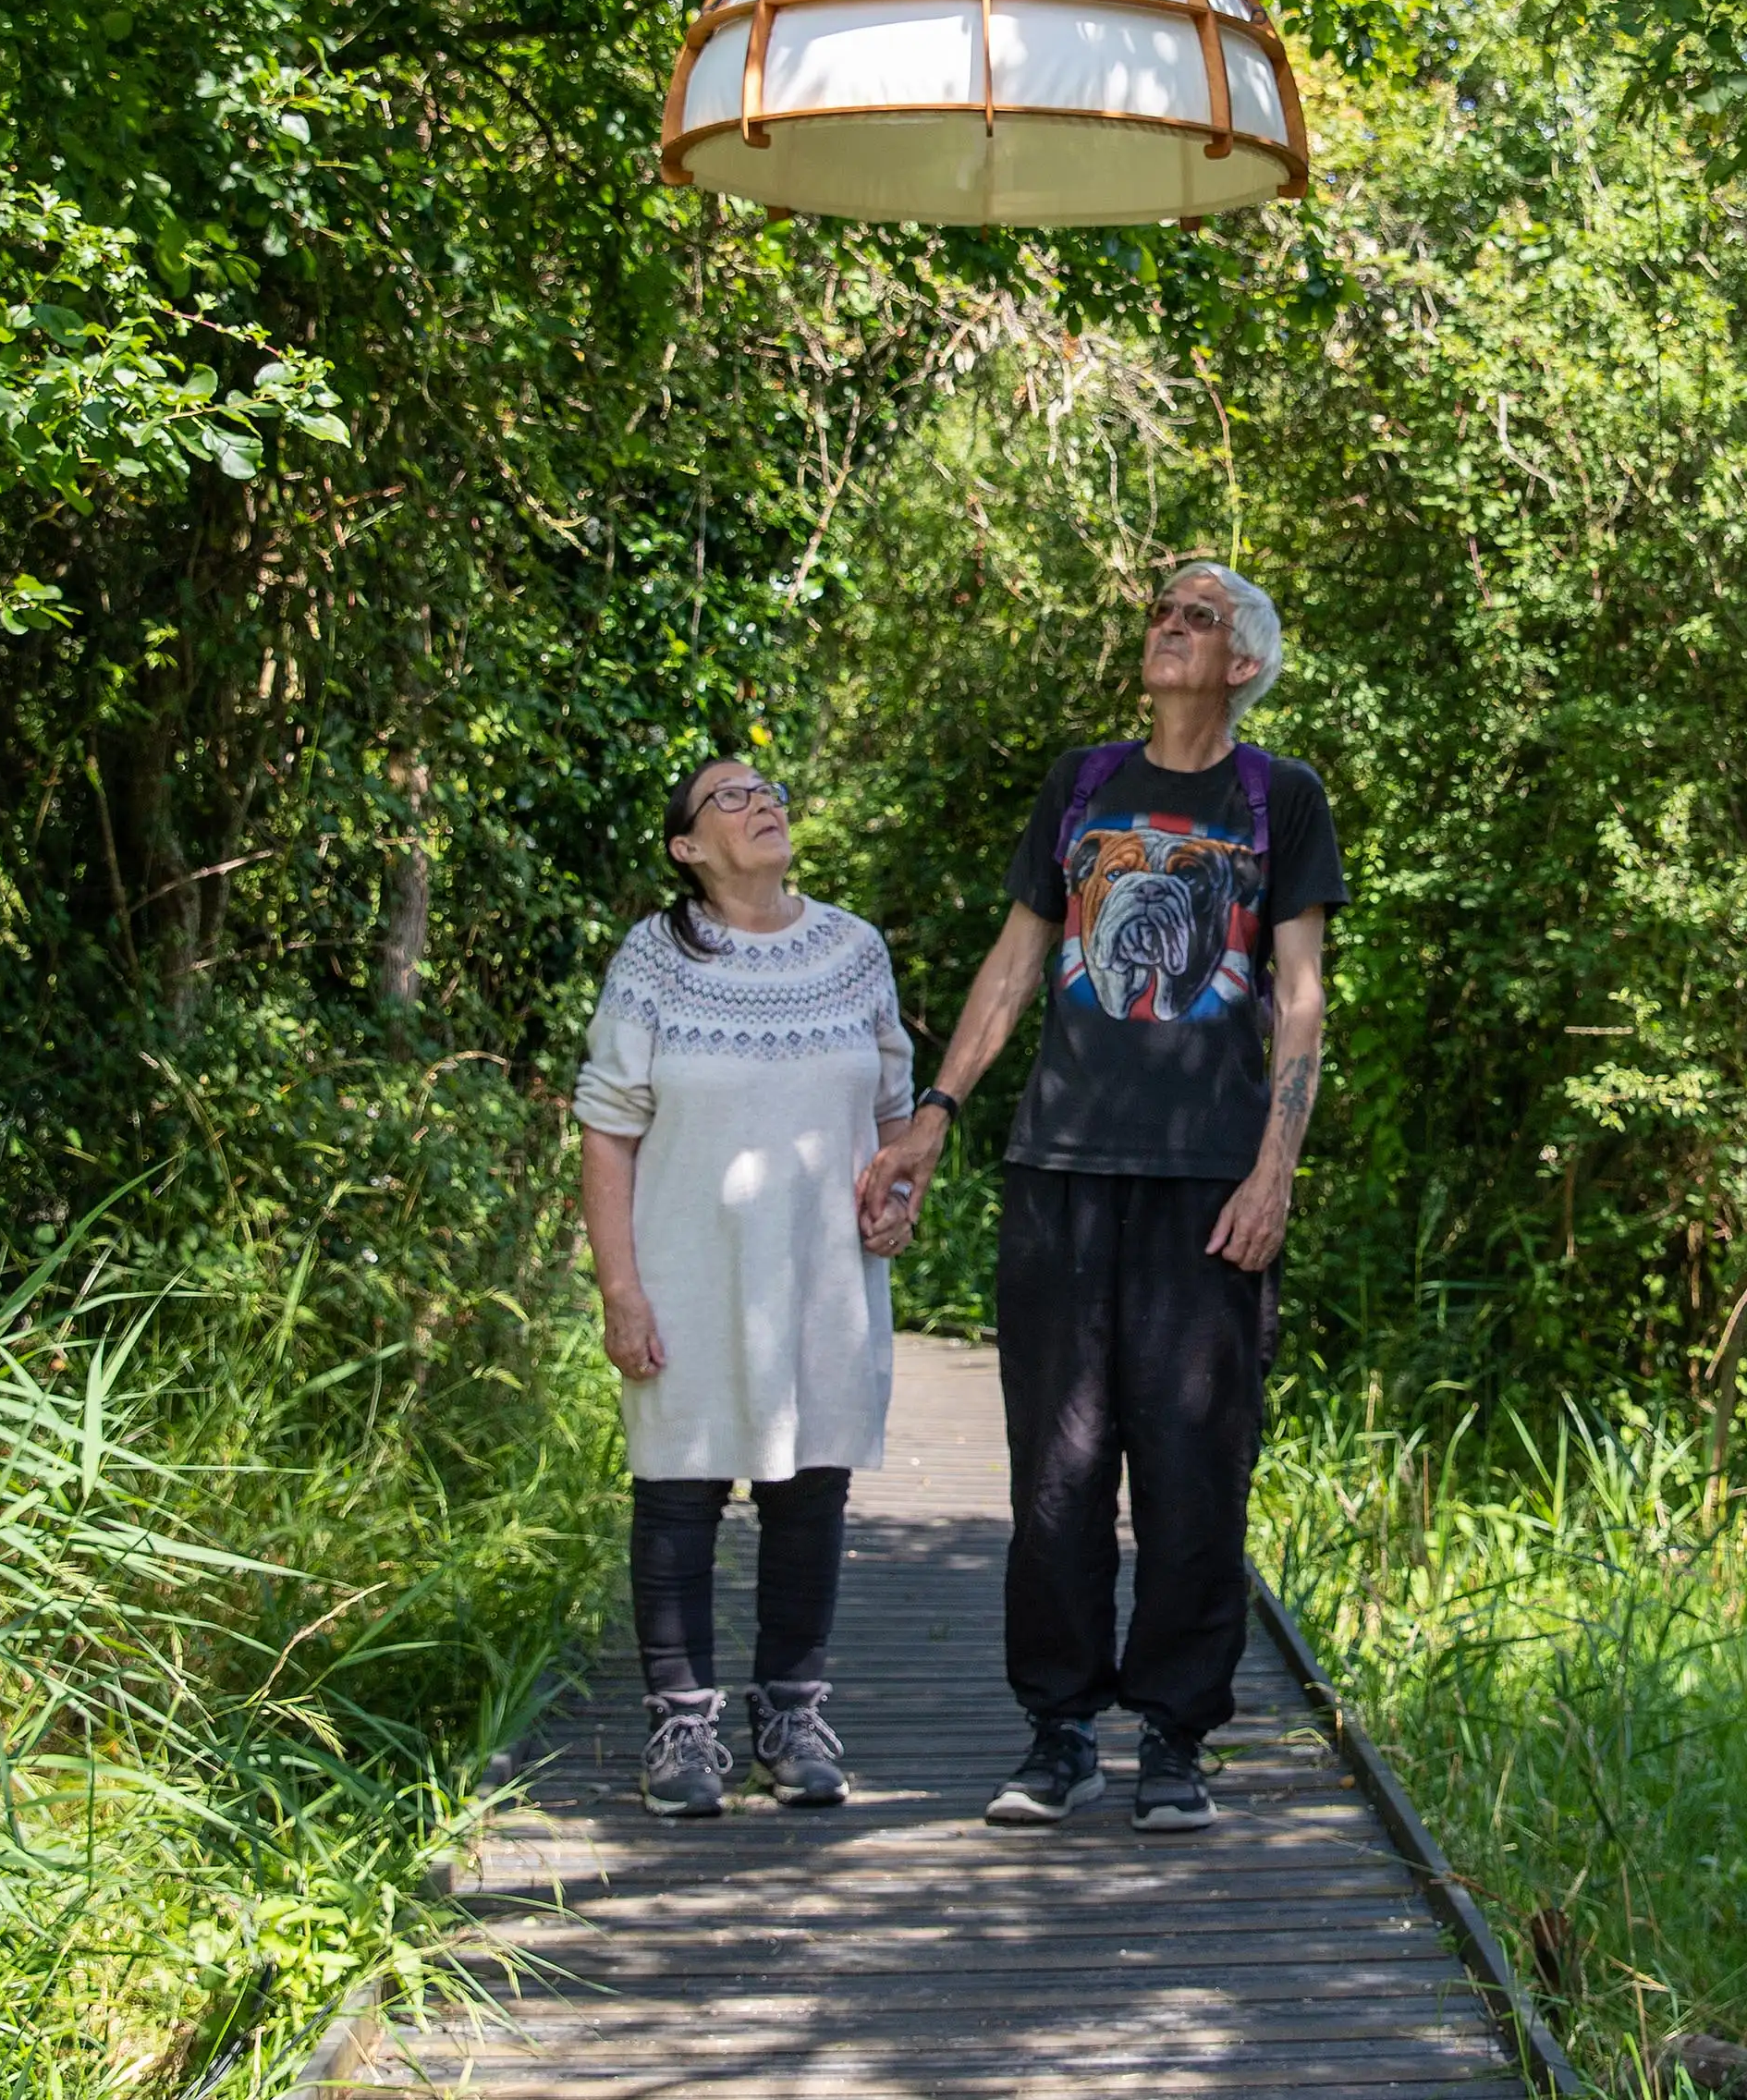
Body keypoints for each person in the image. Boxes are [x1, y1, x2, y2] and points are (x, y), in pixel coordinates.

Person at [856, 560, 1346, 1834]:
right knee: (1057, 1470)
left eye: (1197, 617)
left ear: (1244, 661)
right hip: (1060, 1163)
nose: (1165, 626)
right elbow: (1017, 960)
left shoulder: (1277, 797)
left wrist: (1275, 1166)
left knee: (1197, 1463)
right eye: (1161, 610)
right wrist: (936, 1112)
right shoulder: (1081, 783)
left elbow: (1298, 989)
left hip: (1208, 1180)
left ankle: (1175, 1736)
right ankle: (1059, 1728)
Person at [575, 757, 920, 1816]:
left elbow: (897, 1104)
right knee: (677, 1496)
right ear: (686, 849)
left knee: (810, 1493)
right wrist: (619, 1289)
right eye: (728, 797)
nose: (760, 801)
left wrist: (899, 1195)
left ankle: (792, 1716)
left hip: (823, 1278)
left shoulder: (853, 949)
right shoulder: (655, 958)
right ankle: (681, 1733)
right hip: (687, 1272)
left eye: (765, 788)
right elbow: (606, 1124)